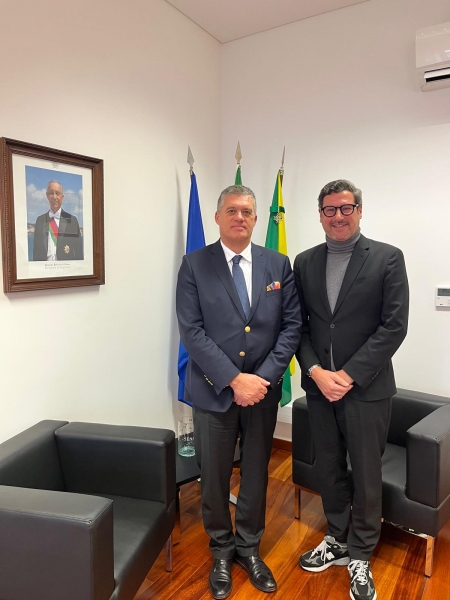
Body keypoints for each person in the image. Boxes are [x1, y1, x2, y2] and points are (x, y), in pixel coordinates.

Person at [176, 184, 301, 599]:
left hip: (262, 393)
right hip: (214, 391)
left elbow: (291, 327)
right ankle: (221, 550)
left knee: (256, 471)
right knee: (213, 476)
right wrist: (233, 379)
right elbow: (192, 332)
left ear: (256, 219)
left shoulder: (277, 264)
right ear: (217, 217)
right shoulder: (194, 264)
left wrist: (260, 380)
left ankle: (249, 548)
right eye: (231, 210)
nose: (240, 217)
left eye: (247, 211)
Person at [293, 180, 409, 600]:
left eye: (346, 208)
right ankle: (337, 539)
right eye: (330, 209)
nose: (338, 216)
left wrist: (349, 375)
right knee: (328, 468)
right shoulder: (304, 262)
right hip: (320, 389)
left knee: (366, 472)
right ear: (320, 215)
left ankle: (361, 553)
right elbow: (299, 326)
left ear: (359, 210)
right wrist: (316, 372)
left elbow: (394, 326)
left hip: (366, 390)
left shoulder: (387, 257)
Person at [33, 180, 83, 261]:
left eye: (57, 193)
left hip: (66, 268)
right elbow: (36, 253)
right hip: (45, 268)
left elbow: (79, 253)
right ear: (47, 196)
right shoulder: (40, 220)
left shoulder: (72, 221)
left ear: (62, 197)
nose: (54, 197)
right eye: (51, 193)